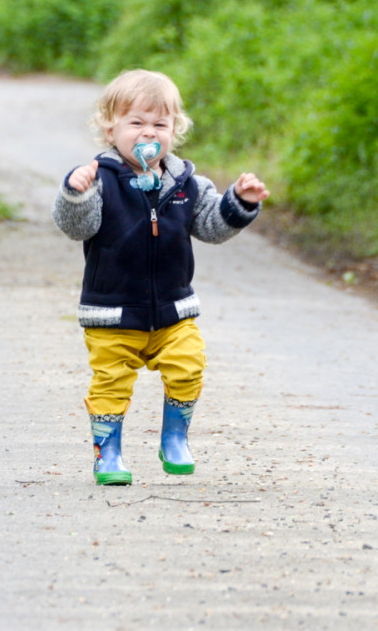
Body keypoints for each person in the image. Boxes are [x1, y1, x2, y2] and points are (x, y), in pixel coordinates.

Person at [52, 69, 269, 486]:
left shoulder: (187, 183)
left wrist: (238, 202)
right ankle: (108, 452)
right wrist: (76, 192)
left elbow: (211, 227)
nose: (147, 132)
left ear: (174, 130)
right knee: (111, 384)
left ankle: (174, 437)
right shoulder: (99, 180)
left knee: (189, 366)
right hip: (112, 313)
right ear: (109, 127)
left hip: (173, 310)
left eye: (160, 124)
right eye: (136, 123)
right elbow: (76, 227)